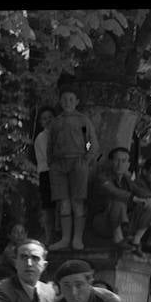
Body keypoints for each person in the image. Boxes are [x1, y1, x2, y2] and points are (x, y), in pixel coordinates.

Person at [45, 86, 98, 252]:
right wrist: (51, 162)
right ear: (60, 102)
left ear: (76, 102)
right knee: (64, 202)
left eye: (71, 99)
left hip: (78, 162)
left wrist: (86, 156)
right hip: (59, 164)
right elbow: (51, 144)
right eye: (64, 99)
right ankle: (65, 238)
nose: (67, 102)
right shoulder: (56, 122)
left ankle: (77, 238)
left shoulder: (82, 121)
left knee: (77, 201)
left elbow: (89, 141)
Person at [90, 147, 151, 254]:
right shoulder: (102, 177)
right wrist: (134, 199)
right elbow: (114, 191)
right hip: (103, 221)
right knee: (118, 201)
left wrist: (150, 198)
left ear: (128, 164)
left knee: (150, 204)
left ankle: (136, 241)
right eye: (117, 160)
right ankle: (118, 239)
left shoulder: (127, 179)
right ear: (111, 162)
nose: (120, 164)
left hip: (124, 221)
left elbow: (139, 190)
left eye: (124, 161)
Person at [32, 105, 57, 243]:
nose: (47, 120)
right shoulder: (42, 137)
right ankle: (49, 237)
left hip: (59, 173)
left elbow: (88, 142)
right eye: (44, 118)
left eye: (50, 117)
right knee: (48, 207)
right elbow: (49, 158)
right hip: (47, 174)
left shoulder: (60, 133)